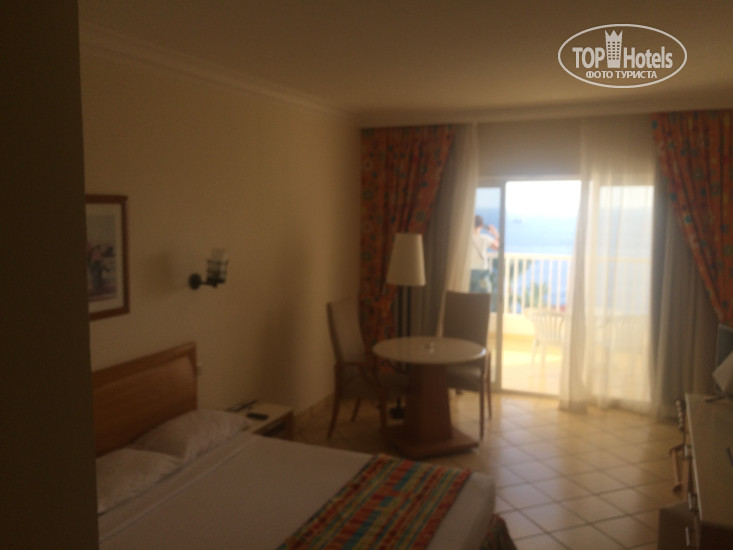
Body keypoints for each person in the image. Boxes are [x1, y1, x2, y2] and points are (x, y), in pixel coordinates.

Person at [470, 215, 500, 293]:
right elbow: (499, 247)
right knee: (483, 296)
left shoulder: (466, 238)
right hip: (481, 271)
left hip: (468, 271)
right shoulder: (485, 238)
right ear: (481, 226)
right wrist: (494, 232)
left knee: (468, 296)